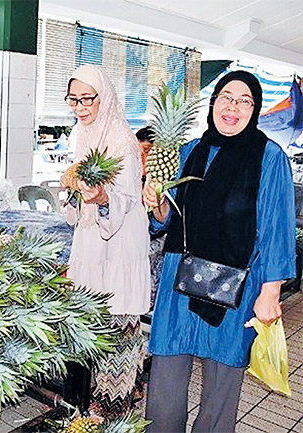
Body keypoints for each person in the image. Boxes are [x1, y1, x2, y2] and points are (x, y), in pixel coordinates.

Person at [142, 70, 295, 433]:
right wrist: (157, 202)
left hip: (238, 281)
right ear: (214, 103)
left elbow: (277, 225)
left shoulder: (269, 157)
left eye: (245, 101)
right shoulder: (189, 151)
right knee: (167, 367)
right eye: (227, 96)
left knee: (223, 377)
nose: (233, 107)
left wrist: (271, 290)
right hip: (181, 273)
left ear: (255, 110)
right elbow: (167, 218)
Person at [63, 65, 151, 419]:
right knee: (95, 326)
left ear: (106, 97)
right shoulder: (83, 135)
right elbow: (79, 192)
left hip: (119, 248)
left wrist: (100, 198)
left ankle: (115, 409)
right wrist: (71, 191)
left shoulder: (123, 143)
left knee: (117, 329)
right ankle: (109, 400)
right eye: (74, 100)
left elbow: (125, 200)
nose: (81, 108)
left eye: (88, 99)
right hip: (91, 244)